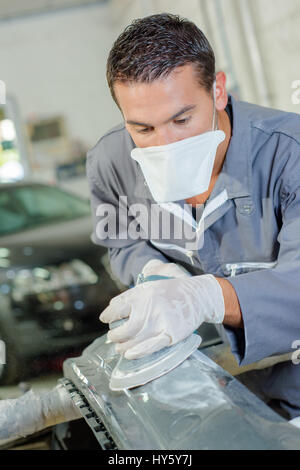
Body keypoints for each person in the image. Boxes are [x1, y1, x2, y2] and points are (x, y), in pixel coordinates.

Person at [86, 13, 300, 419]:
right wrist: (153, 271)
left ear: (218, 90)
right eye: (143, 129)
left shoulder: (290, 155)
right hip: (200, 392)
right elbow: (121, 239)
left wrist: (205, 297)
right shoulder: (110, 161)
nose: (166, 144)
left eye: (182, 119)